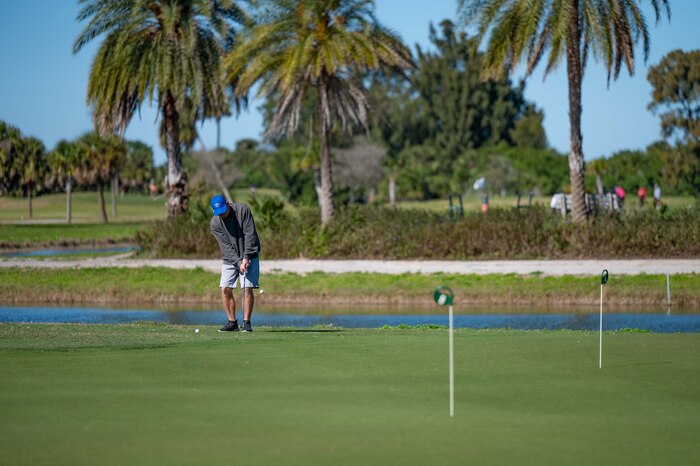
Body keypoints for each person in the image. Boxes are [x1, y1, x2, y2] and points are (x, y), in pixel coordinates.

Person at [209, 194, 261, 332]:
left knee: (247, 288)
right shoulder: (215, 223)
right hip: (230, 258)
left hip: (250, 254)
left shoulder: (242, 210)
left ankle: (247, 323)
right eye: (218, 213)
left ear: (227, 203)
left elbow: (250, 234)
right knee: (225, 287)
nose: (222, 215)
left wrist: (246, 257)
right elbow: (225, 247)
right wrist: (238, 262)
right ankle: (232, 323)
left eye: (223, 211)